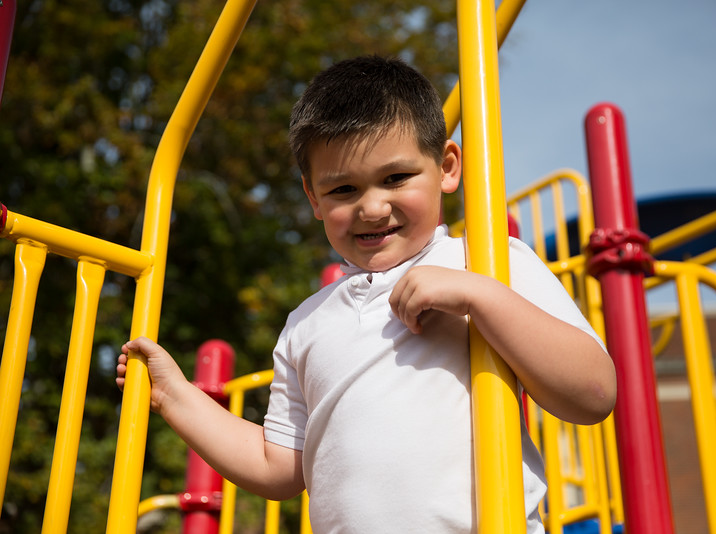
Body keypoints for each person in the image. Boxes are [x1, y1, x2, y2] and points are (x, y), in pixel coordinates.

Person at [117, 55, 616, 533]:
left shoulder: (485, 262)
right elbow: (277, 468)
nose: (373, 207)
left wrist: (479, 296)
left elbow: (592, 394)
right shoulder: (307, 324)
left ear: (446, 166)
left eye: (396, 178)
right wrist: (175, 396)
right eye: (343, 190)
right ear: (314, 197)